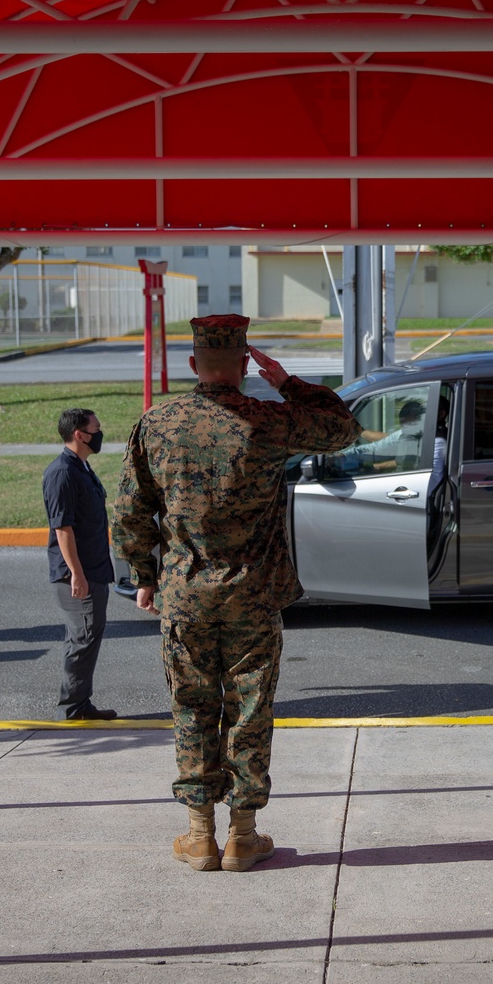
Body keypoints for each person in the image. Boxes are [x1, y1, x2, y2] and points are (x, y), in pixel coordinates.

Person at [112, 315, 360, 872]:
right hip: (252, 594)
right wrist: (289, 383)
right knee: (249, 711)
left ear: (195, 364)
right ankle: (242, 836)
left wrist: (143, 575)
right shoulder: (269, 421)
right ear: (246, 365)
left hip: (185, 596)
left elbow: (130, 508)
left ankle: (199, 835)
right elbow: (342, 428)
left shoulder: (158, 423)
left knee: (192, 708)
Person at [42, 407, 117, 721]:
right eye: (96, 429)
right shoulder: (62, 472)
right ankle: (70, 709)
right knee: (81, 639)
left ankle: (80, 703)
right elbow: (63, 528)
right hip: (79, 574)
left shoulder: (82, 467)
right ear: (79, 434)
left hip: (94, 570)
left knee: (86, 638)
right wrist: (76, 574)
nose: (100, 434)